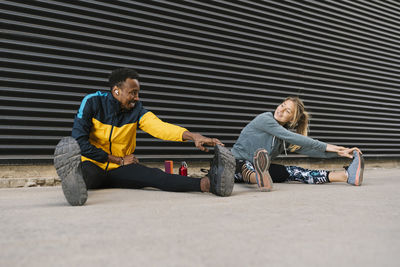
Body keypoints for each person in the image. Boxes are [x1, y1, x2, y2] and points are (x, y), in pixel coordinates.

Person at [54, 68, 235, 206]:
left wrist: (192, 135)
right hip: (93, 164)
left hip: (120, 168)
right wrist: (117, 159)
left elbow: (160, 127)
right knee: (88, 174)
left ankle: (208, 184)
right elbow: (79, 141)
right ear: (116, 91)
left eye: (138, 93)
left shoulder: (137, 111)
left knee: (154, 176)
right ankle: (75, 183)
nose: (137, 98)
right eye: (133, 92)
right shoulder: (93, 102)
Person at [231, 96, 364, 191]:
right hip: (234, 165)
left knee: (294, 171)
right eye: (282, 105)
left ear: (292, 119)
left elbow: (309, 150)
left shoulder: (282, 137)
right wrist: (332, 146)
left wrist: (339, 153)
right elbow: (294, 137)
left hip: (260, 168)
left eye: (287, 111)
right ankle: (259, 178)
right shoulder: (265, 119)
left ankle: (346, 176)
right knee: (247, 166)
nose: (281, 110)